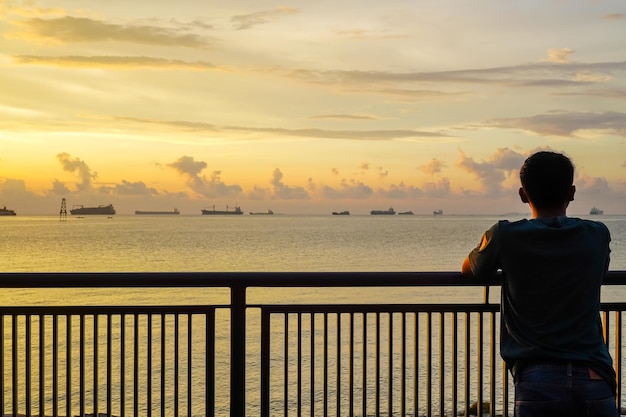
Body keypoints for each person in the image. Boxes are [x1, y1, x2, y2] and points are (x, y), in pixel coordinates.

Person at [461, 151, 617, 416]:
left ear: (523, 194)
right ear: (572, 192)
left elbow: (471, 270)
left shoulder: (506, 235)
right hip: (593, 374)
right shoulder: (597, 234)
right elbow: (600, 272)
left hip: (536, 377)